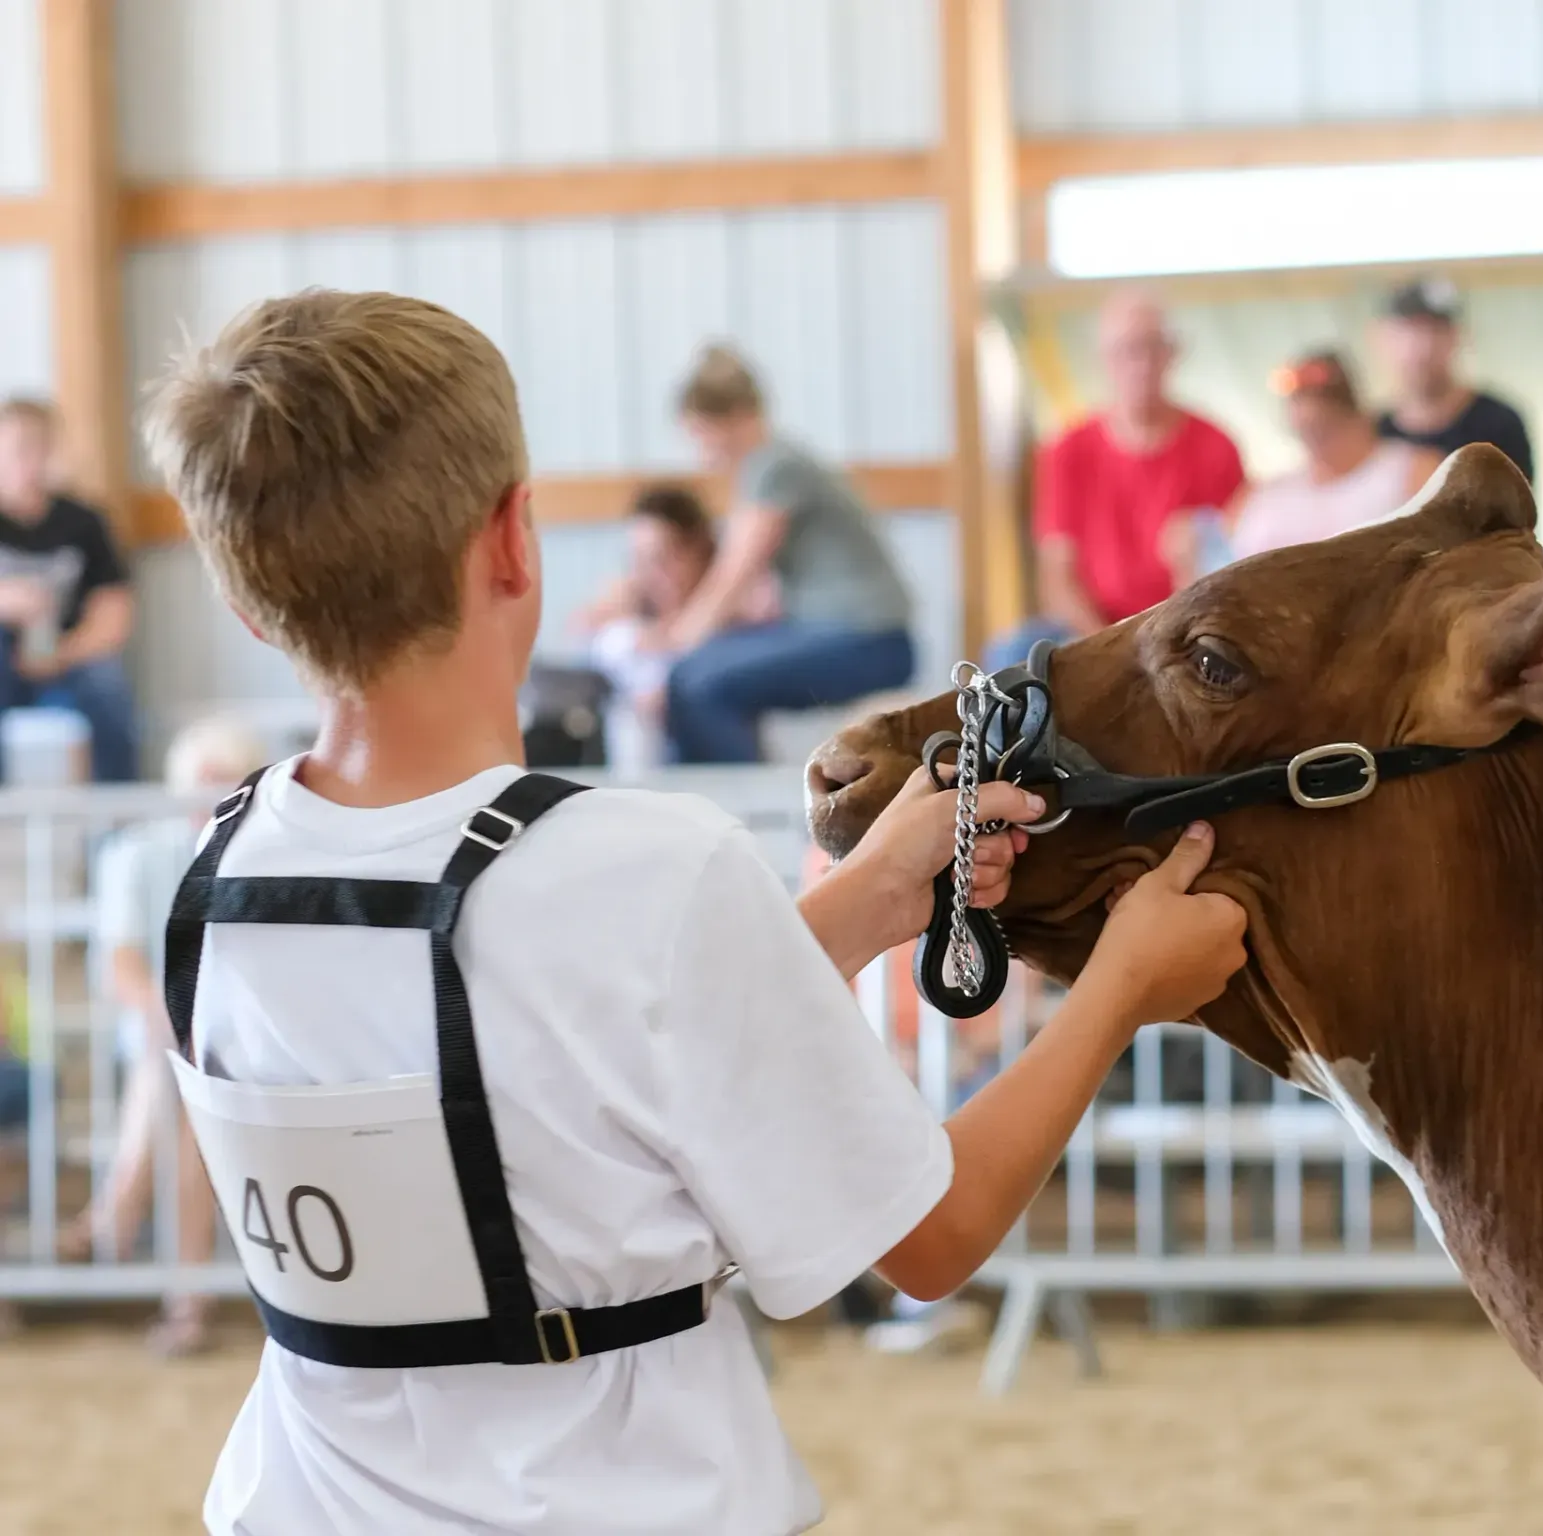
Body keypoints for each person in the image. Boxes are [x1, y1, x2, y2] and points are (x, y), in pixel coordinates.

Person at [142, 287, 1248, 1535]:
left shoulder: (214, 875)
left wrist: (869, 900)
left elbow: (558, 1061)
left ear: (246, 598)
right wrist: (1120, 992)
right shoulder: (646, 870)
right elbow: (930, 1240)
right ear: (515, 540)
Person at [58, 713, 269, 1355]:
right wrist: (181, 1024)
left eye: (225, 778)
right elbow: (122, 968)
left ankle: (111, 1215)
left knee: (178, 1084)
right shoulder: (138, 852)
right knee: (174, 1082)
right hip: (166, 1035)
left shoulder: (260, 854)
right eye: (203, 777)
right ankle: (187, 1304)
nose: (210, 789)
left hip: (234, 1040)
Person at [664, 346, 916, 764]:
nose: (702, 453)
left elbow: (734, 575)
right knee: (692, 673)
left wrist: (674, 643)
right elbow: (759, 600)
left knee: (702, 684)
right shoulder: (774, 464)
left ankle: (739, 810)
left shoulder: (774, 466)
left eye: (700, 434)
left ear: (733, 420)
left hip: (870, 642)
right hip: (850, 635)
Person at [991, 290, 1246, 669]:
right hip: (1091, 630)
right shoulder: (1067, 451)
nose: (1141, 364)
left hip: (1187, 629)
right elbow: (1057, 580)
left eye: (1152, 348)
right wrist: (1110, 647)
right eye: (1128, 350)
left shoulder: (1216, 446)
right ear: (1105, 360)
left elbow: (1238, 563)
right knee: (1011, 654)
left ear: (1171, 354)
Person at [0, 399, 139, 782]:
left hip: (69, 656)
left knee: (108, 691)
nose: (30, 462)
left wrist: (61, 655)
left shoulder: (84, 523)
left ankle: (117, 828)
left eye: (40, 447)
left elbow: (114, 616)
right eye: (19, 448)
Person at [571, 484, 781, 720]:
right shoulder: (631, 605)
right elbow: (582, 629)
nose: (651, 573)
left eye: (662, 558)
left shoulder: (737, 602)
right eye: (640, 560)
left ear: (698, 550)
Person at [1230, 352, 1444, 557]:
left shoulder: (1413, 471)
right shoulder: (1265, 497)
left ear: (1358, 416)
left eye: (1327, 429)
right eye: (1307, 431)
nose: (1319, 445)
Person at [1374, 276, 1534, 484]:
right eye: (1411, 329)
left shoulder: (1498, 422)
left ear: (1457, 336)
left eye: (1436, 330)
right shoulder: (1373, 434)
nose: (1424, 346)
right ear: (1383, 336)